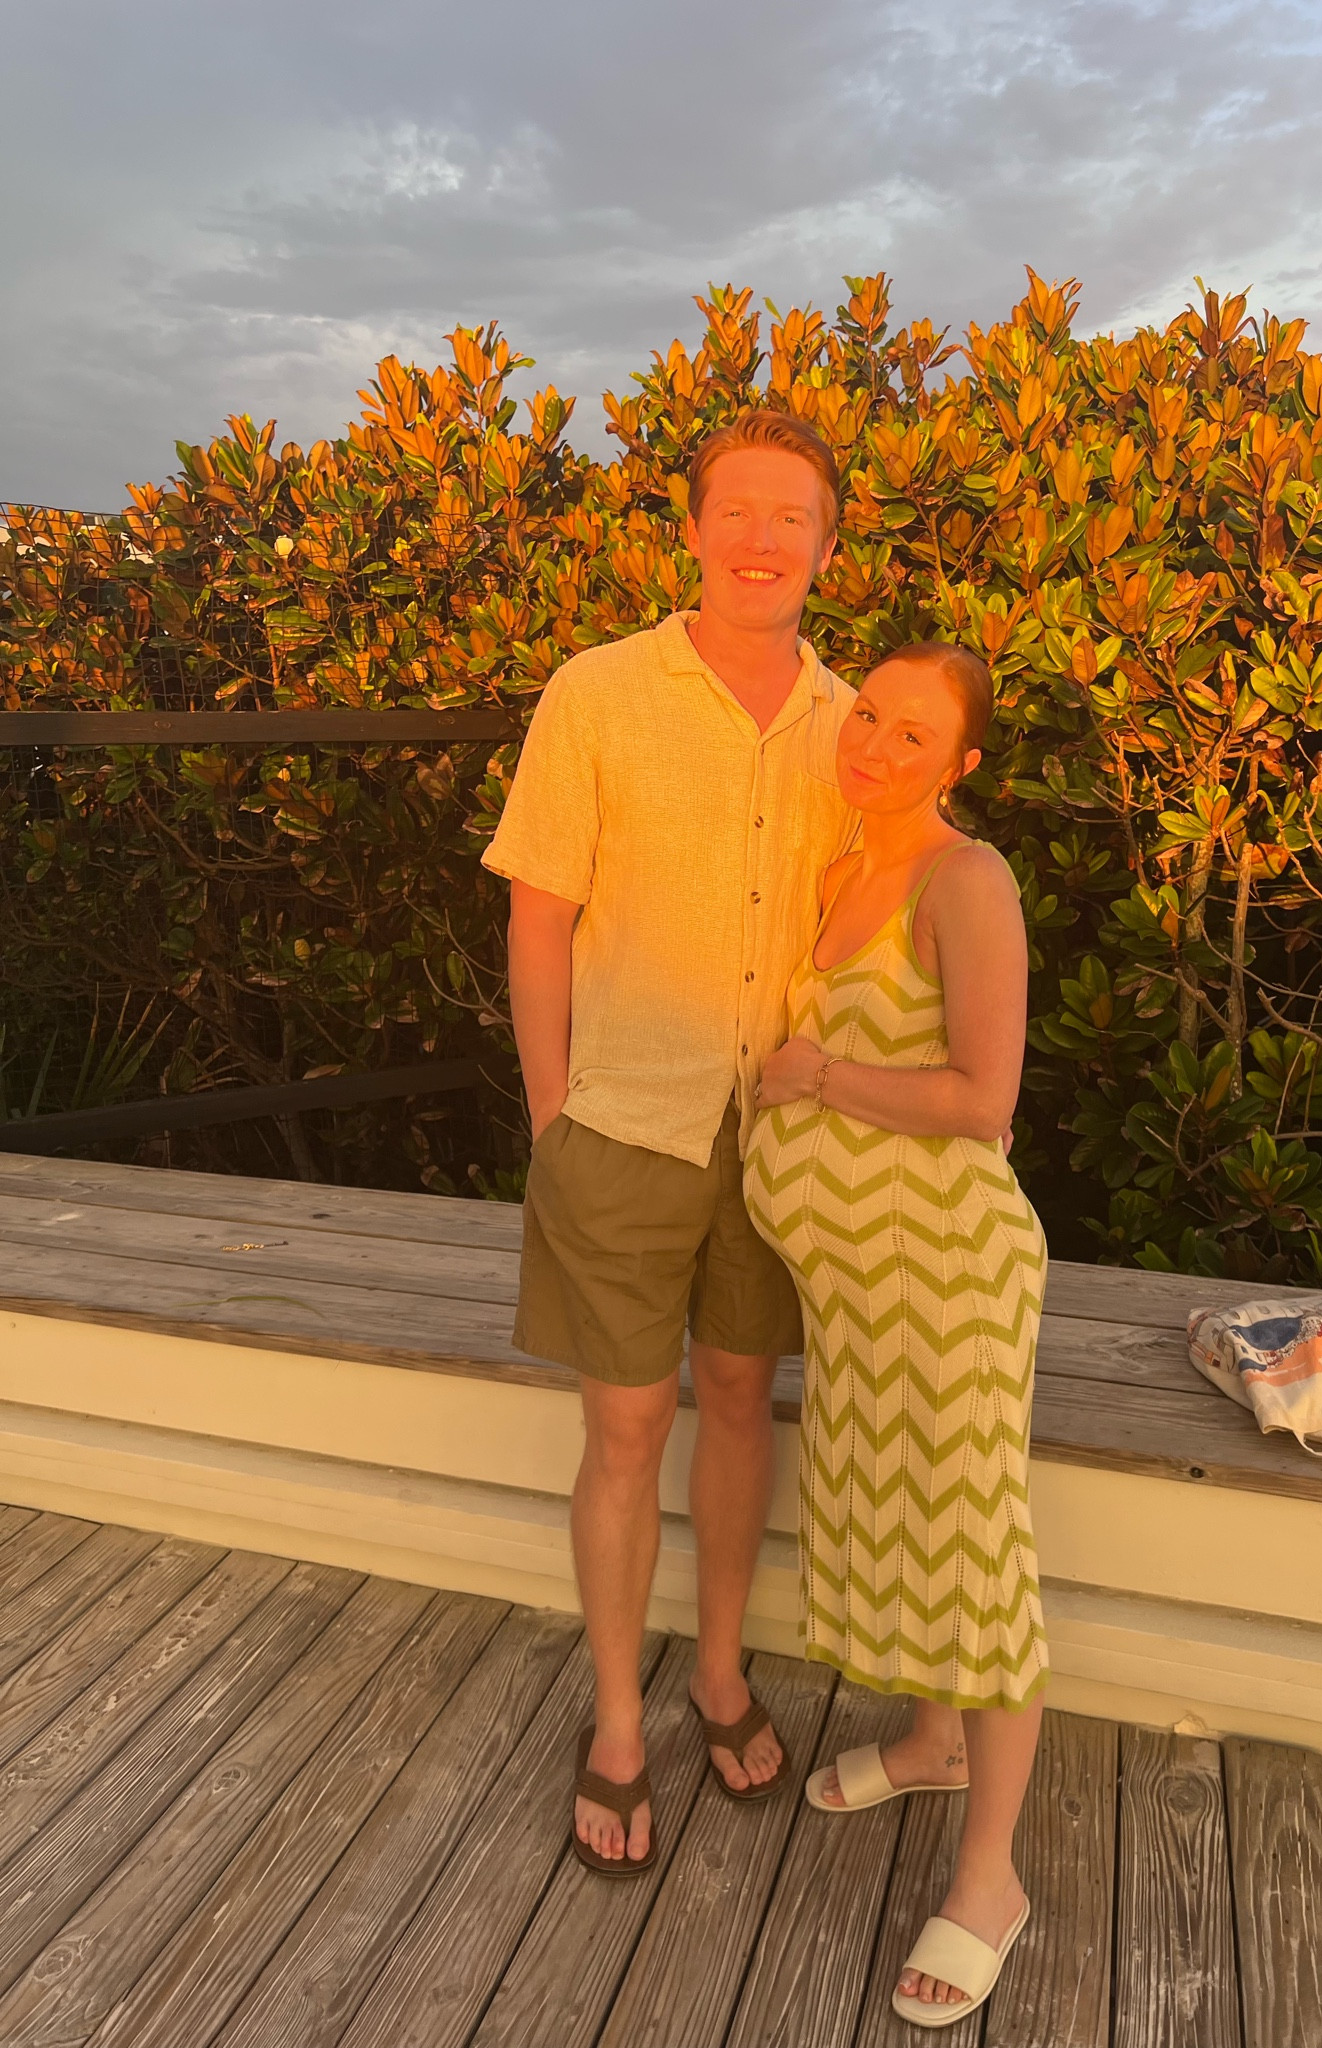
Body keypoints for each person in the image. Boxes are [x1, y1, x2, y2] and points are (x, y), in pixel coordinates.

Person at [482, 410, 857, 1873]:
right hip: (622, 1126)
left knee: (742, 1404)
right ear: (692, 530)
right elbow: (538, 909)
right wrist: (551, 1104)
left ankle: (718, 1672)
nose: (764, 540)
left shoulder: (851, 725)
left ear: (829, 546)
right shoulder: (598, 693)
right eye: (739, 512)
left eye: (794, 518)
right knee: (627, 1429)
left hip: (778, 1143)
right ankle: (620, 1721)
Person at [745, 642, 1047, 2028]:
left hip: (948, 1275)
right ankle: (932, 1741)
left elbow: (982, 1097)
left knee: (974, 1550)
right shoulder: (831, 863)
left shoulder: (962, 881)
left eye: (911, 733)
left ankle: (989, 1876)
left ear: (959, 763)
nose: (872, 743)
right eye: (864, 713)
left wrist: (817, 1076)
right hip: (859, 1290)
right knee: (893, 1517)